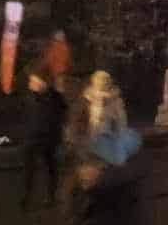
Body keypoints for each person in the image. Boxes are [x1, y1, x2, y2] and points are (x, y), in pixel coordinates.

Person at [77, 72, 150, 225]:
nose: (101, 85)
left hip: (108, 142)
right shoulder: (87, 99)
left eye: (104, 82)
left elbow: (121, 122)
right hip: (91, 141)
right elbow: (81, 120)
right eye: (98, 82)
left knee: (109, 177)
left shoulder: (115, 101)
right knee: (92, 176)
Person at [19, 65, 67, 208]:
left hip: (48, 138)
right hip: (32, 137)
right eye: (31, 81)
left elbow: (62, 113)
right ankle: (27, 197)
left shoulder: (55, 96)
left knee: (51, 167)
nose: (31, 84)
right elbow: (25, 115)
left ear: (44, 82)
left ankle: (51, 196)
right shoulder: (28, 96)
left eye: (34, 81)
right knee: (29, 169)